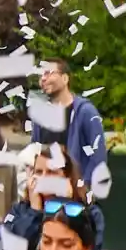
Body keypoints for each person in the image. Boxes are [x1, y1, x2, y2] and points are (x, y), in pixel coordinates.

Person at [31, 61, 108, 192]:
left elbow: (98, 156)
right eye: (41, 75)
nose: (43, 78)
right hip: (45, 190)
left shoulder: (85, 112)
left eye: (48, 73)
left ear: (65, 78)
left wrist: (84, 187)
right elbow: (34, 153)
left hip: (75, 194)